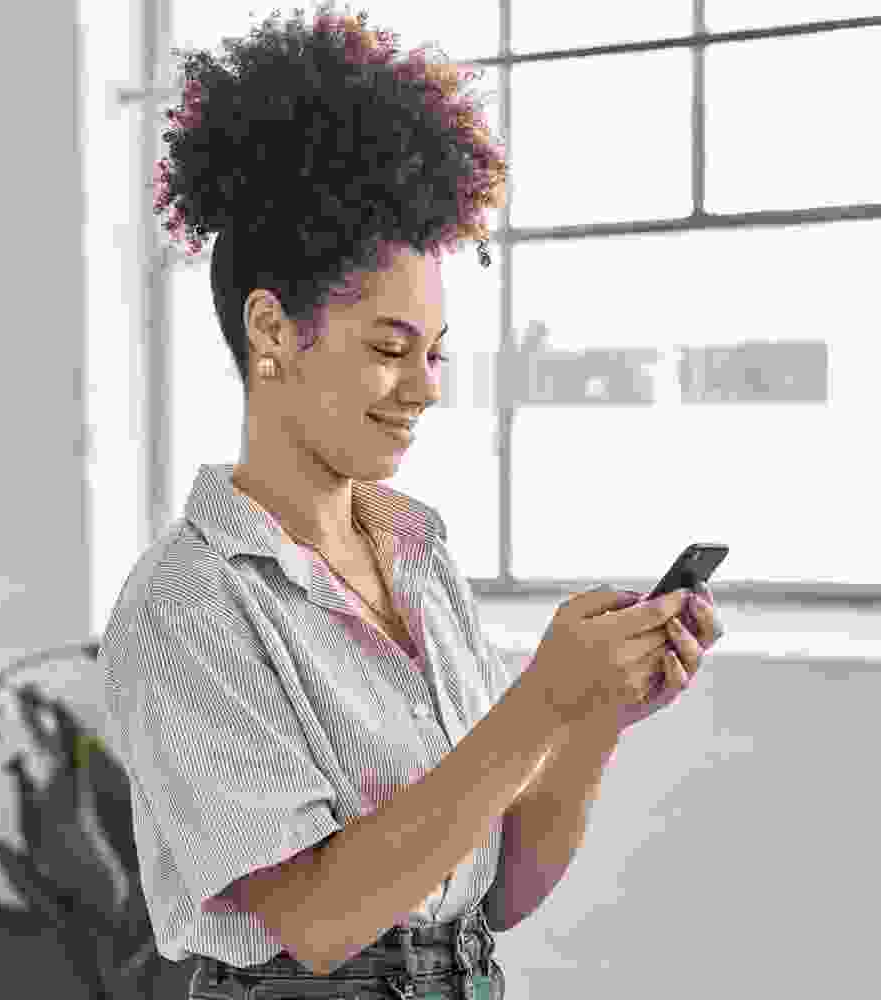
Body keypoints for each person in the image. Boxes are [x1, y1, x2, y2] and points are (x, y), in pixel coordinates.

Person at [100, 4, 707, 998]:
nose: (424, 387)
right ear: (272, 331)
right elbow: (322, 918)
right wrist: (541, 702)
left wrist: (592, 716)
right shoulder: (189, 602)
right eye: (389, 348)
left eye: (435, 353)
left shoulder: (418, 555)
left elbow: (497, 892)